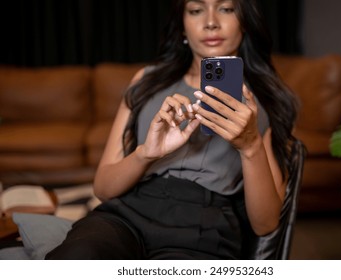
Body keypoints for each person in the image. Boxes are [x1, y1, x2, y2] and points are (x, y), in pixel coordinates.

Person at [45, 0, 298, 260]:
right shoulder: (146, 81)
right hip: (127, 215)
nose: (211, 22)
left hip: (205, 225)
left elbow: (266, 224)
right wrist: (146, 154)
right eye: (196, 10)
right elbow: (103, 189)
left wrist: (250, 145)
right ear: (182, 28)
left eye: (226, 8)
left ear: (245, 23)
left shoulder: (263, 100)